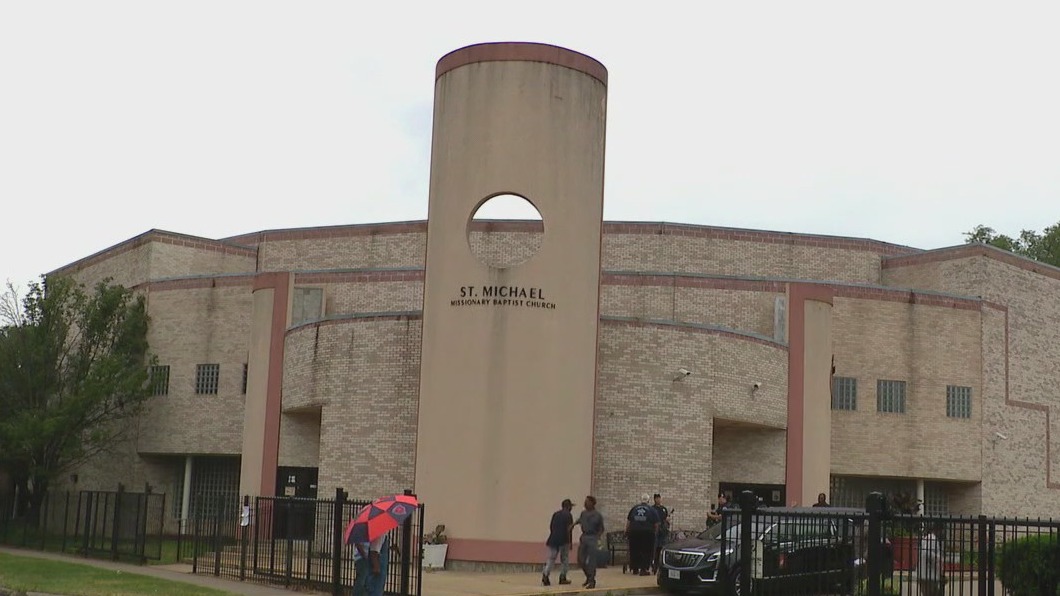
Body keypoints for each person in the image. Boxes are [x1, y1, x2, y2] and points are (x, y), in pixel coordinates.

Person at [574, 495, 605, 589]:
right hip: (584, 537)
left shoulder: (597, 515)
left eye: (587, 501)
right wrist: (572, 525)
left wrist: (598, 538)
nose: (585, 503)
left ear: (592, 503)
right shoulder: (583, 513)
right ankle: (588, 576)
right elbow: (579, 520)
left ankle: (591, 580)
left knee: (591, 561)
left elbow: (601, 528)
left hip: (592, 537)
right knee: (581, 559)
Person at [542, 498, 575, 586]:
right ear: (568, 507)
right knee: (564, 559)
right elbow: (569, 529)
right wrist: (570, 542)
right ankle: (562, 577)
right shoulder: (568, 515)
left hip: (553, 539)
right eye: (571, 506)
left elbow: (551, 526)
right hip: (564, 540)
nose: (571, 508)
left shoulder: (555, 514)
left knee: (551, 558)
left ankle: (545, 574)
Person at [625, 494, 659, 576]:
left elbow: (629, 521)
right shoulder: (652, 510)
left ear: (641, 500)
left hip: (634, 531)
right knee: (646, 551)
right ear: (648, 500)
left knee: (634, 550)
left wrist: (627, 531)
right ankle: (643, 569)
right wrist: (655, 532)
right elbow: (656, 523)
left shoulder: (634, 508)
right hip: (647, 532)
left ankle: (635, 568)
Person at [917, 523, 946, 596]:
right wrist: (938, 558)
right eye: (942, 531)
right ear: (938, 530)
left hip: (925, 574)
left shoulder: (927, 538)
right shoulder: (932, 539)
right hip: (929, 575)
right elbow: (926, 553)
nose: (942, 533)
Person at [651, 493, 670, 573]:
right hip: (655, 531)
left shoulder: (663, 509)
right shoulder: (652, 509)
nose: (659, 500)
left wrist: (667, 522)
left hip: (663, 531)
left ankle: (660, 564)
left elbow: (666, 519)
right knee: (655, 548)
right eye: (657, 498)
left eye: (659, 498)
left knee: (661, 548)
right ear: (654, 499)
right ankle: (654, 564)